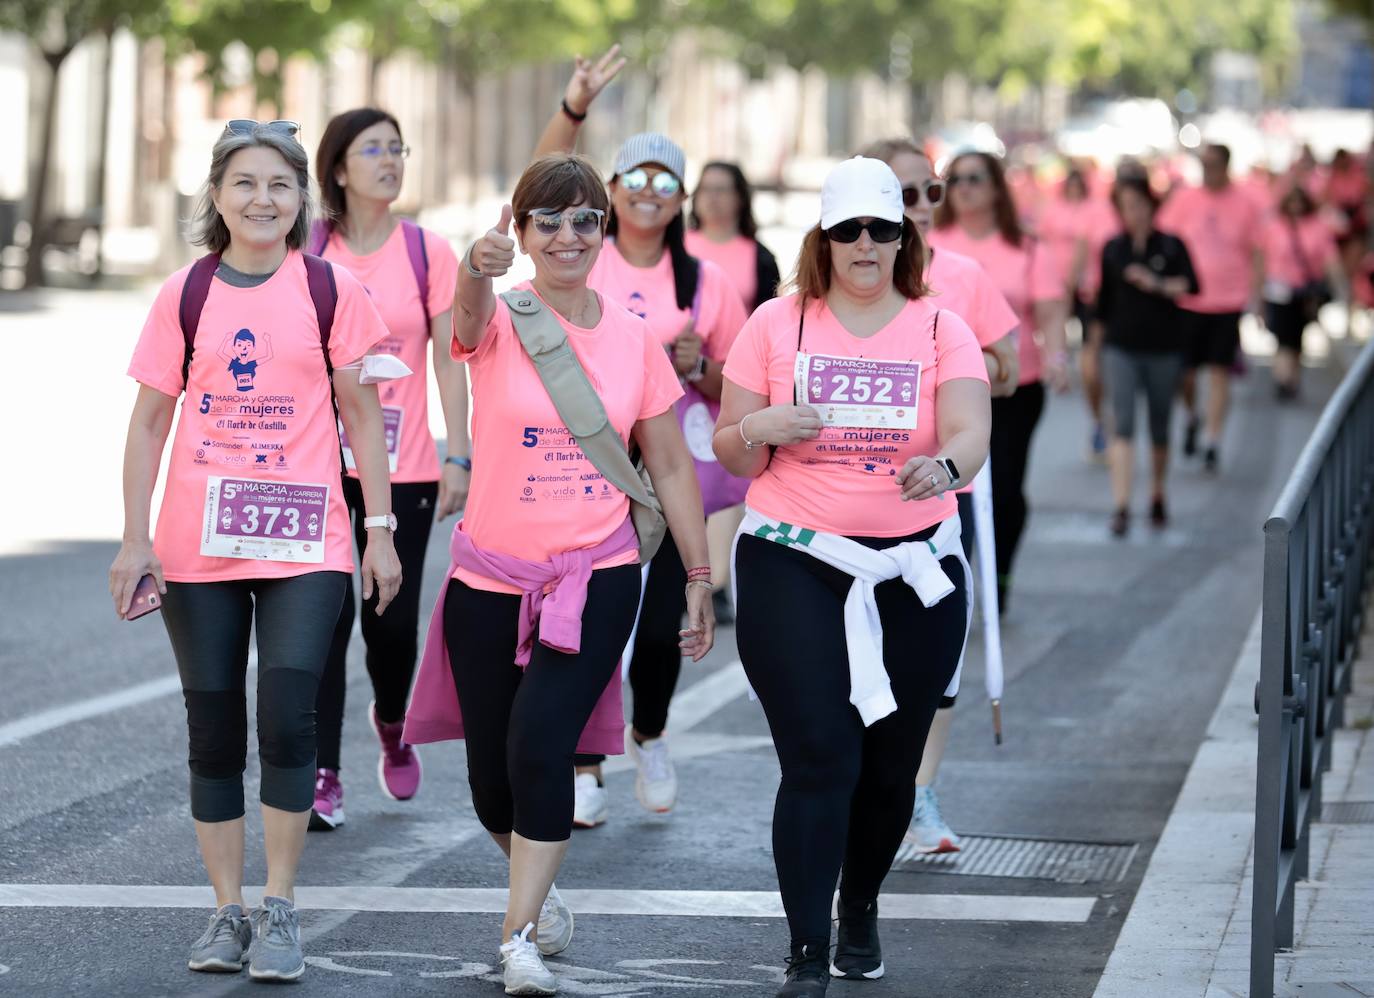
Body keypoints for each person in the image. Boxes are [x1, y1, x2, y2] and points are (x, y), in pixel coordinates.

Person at [400, 153, 714, 996]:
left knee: (540, 748)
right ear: (523, 228)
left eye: (584, 221)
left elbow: (673, 468)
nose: (568, 236)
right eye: (550, 221)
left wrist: (697, 573)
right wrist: (474, 266)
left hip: (596, 576)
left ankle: (519, 936)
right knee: (488, 782)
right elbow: (461, 318)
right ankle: (536, 884)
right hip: (488, 578)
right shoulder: (502, 319)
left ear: (603, 231)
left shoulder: (634, 340)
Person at [108, 120, 401, 983]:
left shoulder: (330, 290)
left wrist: (379, 533)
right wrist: (135, 538)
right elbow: (149, 423)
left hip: (306, 543)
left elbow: (362, 421)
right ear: (217, 196)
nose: (262, 199)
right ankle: (225, 913)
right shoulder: (185, 294)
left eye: (279, 184)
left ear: (302, 198)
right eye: (244, 183)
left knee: (286, 717)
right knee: (212, 731)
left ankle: (280, 906)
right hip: (198, 549)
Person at [714, 156, 990, 998]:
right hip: (794, 555)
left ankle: (859, 903)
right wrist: (760, 423)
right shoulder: (775, 323)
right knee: (819, 754)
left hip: (915, 570)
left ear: (901, 238)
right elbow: (729, 448)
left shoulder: (943, 329)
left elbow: (971, 429)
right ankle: (805, 948)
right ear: (823, 240)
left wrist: (943, 468)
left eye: (881, 229)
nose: (864, 244)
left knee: (887, 765)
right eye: (847, 231)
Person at [533, 48, 748, 826]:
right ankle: (585, 764)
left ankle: (649, 731)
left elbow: (742, 391)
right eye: (636, 179)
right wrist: (577, 103)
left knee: (659, 628)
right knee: (584, 620)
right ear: (611, 190)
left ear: (681, 197)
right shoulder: (580, 258)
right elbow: (540, 180)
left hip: (664, 471)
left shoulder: (706, 282)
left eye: (666, 182)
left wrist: (707, 366)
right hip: (587, 466)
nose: (650, 194)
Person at [306, 107, 468, 830]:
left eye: (398, 148)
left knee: (390, 625)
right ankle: (323, 774)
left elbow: (449, 359)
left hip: (405, 470)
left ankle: (394, 719)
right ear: (339, 168)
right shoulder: (305, 249)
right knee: (320, 622)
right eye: (373, 149)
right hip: (315, 465)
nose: (390, 160)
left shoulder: (428, 252)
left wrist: (459, 451)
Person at [864, 136, 1018, 856]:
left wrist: (956, 361)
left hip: (940, 494)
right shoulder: (839, 281)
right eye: (905, 194)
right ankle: (866, 789)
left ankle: (918, 797)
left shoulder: (962, 276)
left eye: (932, 192)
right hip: (850, 498)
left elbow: (1011, 371)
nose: (923, 207)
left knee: (938, 657)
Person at [931, 149, 1068, 611]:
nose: (963, 188)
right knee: (949, 480)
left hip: (1014, 384)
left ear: (995, 188)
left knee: (1006, 486)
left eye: (973, 178)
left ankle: (1001, 570)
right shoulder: (933, 242)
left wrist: (1057, 356)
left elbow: (1049, 309)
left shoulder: (1025, 247)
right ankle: (954, 576)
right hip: (942, 389)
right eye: (954, 180)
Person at [686, 161, 782, 624]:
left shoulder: (757, 255)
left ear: (741, 198)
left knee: (727, 480)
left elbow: (772, 318)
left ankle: (719, 581)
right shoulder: (678, 250)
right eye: (708, 190)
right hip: (682, 381)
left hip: (736, 380)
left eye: (726, 190)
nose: (716, 199)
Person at [1094, 177, 1199, 536]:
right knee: (1121, 424)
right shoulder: (1113, 248)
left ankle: (1157, 493)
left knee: (1158, 425)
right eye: (1126, 206)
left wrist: (1156, 283)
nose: (1134, 213)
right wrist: (1093, 351)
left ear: (1152, 206)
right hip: (1120, 347)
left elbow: (1192, 285)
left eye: (1139, 204)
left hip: (1164, 348)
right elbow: (1102, 305)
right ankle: (1121, 505)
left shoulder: (1171, 245)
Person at [1156, 143, 1263, 472]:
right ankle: (1192, 416)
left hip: (1228, 300)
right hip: (1188, 300)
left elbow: (1257, 252)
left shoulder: (1245, 203)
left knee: (1219, 372)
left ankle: (1213, 440)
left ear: (1227, 165)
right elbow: (1164, 237)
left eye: (1213, 164)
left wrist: (1256, 298)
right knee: (1184, 374)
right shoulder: (1185, 198)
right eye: (1203, 163)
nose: (1207, 169)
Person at [1039, 166, 1117, 459]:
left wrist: (1075, 284)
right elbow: (1042, 243)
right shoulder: (1053, 210)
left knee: (1090, 359)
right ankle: (1058, 366)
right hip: (1055, 288)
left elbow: (1094, 247)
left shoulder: (1097, 210)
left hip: (1088, 291)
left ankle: (1099, 418)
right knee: (1052, 335)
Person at [1261, 183, 1345, 400]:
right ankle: (1283, 379)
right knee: (1283, 337)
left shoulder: (1318, 227)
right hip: (1278, 290)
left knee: (1296, 338)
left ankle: (1291, 376)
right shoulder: (1273, 227)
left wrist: (1341, 287)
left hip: (1304, 293)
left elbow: (1330, 259)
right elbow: (1261, 260)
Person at [686, 160, 782, 312]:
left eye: (721, 190)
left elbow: (770, 321)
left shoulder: (762, 258)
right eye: (705, 189)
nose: (712, 197)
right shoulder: (672, 246)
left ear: (740, 198)